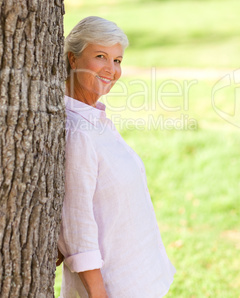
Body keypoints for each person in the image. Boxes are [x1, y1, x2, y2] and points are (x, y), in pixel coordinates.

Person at [57, 16, 176, 298]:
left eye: (118, 60)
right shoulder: (77, 132)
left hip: (140, 277)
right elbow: (77, 225)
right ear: (73, 60)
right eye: (101, 57)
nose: (111, 70)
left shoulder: (93, 118)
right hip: (114, 288)